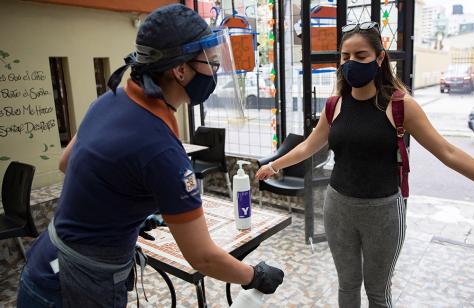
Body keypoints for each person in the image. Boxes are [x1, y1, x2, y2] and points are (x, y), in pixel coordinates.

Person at [256, 22, 474, 308]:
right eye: (346, 57)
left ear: (380, 58)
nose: (352, 63)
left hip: (383, 212)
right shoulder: (335, 105)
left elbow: (448, 152)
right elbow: (310, 144)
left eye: (361, 56)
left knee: (378, 293)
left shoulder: (400, 105)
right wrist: (275, 165)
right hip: (338, 208)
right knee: (347, 286)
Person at [17, 4, 283, 307]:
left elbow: (67, 163)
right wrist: (254, 275)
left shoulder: (110, 99)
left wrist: (122, 210)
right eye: (210, 62)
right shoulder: (162, 151)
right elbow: (203, 257)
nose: (216, 71)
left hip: (45, 265)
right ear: (180, 69)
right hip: (76, 288)